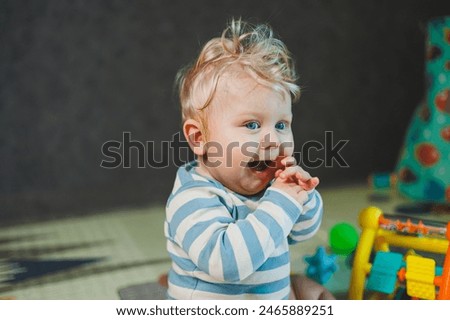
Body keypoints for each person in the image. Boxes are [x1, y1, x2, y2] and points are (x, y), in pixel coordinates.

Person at [164, 18, 334, 300]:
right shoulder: (192, 198)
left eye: (281, 125)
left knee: (312, 292)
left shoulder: (270, 189)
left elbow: (300, 233)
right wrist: (282, 202)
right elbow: (229, 264)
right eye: (252, 125)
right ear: (199, 138)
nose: (273, 140)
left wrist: (301, 197)